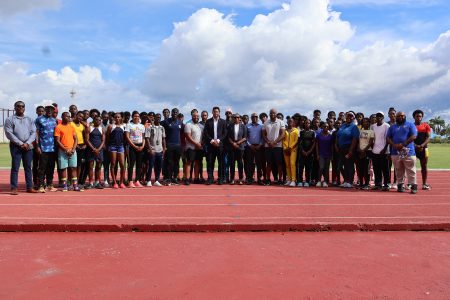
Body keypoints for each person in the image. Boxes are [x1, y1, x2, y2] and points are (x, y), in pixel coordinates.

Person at [4, 101, 37, 194]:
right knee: (15, 167)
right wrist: (20, 143)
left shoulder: (29, 119)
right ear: (15, 108)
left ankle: (29, 187)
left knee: (28, 167)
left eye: (22, 106)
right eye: (18, 106)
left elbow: (33, 132)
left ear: (24, 108)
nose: (20, 108)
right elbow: (9, 133)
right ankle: (14, 187)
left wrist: (27, 143)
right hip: (16, 146)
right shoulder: (10, 119)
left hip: (28, 146)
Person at [387, 111, 418, 194]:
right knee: (398, 169)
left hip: (408, 151)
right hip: (395, 151)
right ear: (396, 117)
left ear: (405, 116)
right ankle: (400, 185)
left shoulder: (410, 125)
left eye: (402, 116)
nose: (400, 117)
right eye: (398, 116)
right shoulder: (392, 127)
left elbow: (414, 136)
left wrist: (403, 144)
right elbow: (388, 138)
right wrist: (394, 145)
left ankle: (413, 186)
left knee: (411, 169)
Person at [54, 112, 80, 192]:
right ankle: (64, 185)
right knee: (63, 168)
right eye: (67, 116)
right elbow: (57, 141)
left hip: (72, 150)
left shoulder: (71, 127)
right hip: (63, 151)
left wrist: (73, 149)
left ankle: (75, 185)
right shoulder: (58, 127)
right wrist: (65, 150)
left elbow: (76, 139)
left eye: (69, 116)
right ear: (62, 117)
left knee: (73, 168)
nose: (68, 118)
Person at [203, 106, 228, 185]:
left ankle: (220, 178)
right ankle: (210, 178)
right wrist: (212, 141)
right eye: (214, 111)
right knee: (210, 162)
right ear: (212, 112)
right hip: (210, 145)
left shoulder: (223, 122)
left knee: (221, 163)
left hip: (220, 146)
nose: (216, 113)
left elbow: (225, 133)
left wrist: (218, 140)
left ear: (219, 113)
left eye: (217, 111)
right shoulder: (208, 121)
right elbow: (205, 133)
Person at [336, 112, 359, 188]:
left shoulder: (354, 127)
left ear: (353, 118)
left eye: (351, 116)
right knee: (340, 166)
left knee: (349, 166)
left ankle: (350, 181)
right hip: (341, 149)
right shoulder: (343, 125)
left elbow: (355, 139)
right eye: (347, 116)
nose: (349, 117)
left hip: (349, 148)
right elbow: (338, 135)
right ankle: (346, 180)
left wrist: (351, 150)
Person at [262, 108, 285, 186]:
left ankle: (280, 179)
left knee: (279, 163)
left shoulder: (281, 122)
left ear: (276, 114)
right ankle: (268, 179)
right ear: (269, 114)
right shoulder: (266, 123)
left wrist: (275, 142)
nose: (272, 114)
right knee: (269, 163)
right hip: (268, 146)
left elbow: (282, 134)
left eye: (274, 113)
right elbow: (263, 134)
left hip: (278, 146)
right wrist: (268, 142)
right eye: (271, 113)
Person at [161, 108, 183, 185]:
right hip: (169, 146)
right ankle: (168, 178)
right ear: (171, 113)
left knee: (177, 163)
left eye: (176, 112)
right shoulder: (166, 122)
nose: (174, 113)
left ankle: (175, 177)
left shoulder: (180, 122)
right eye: (173, 112)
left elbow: (183, 134)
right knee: (169, 163)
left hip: (178, 146)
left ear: (178, 113)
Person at [125, 111, 146, 188]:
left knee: (139, 165)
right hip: (132, 146)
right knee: (131, 164)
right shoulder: (129, 125)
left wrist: (143, 145)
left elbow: (143, 137)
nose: (136, 117)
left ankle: (137, 180)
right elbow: (127, 136)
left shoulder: (142, 126)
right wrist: (134, 146)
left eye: (137, 116)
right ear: (132, 117)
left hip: (140, 146)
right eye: (134, 116)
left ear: (139, 117)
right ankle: (130, 181)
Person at [145, 113, 166, 187]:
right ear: (154, 118)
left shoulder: (162, 127)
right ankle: (148, 180)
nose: (158, 118)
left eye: (160, 117)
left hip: (160, 150)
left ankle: (156, 180)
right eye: (157, 117)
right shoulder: (149, 126)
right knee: (150, 166)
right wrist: (150, 149)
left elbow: (163, 138)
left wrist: (164, 148)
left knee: (159, 166)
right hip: (152, 150)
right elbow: (147, 138)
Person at [107, 112, 126, 189]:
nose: (117, 118)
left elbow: (125, 137)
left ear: (121, 118)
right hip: (113, 147)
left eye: (119, 117)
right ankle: (114, 182)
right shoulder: (111, 126)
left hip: (120, 146)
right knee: (113, 164)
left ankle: (121, 182)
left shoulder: (123, 126)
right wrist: (109, 146)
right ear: (114, 118)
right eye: (116, 117)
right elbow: (107, 137)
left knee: (122, 165)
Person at [371, 112, 390, 191]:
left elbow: (388, 138)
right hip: (375, 151)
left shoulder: (386, 126)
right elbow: (372, 138)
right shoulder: (373, 126)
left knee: (385, 169)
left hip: (384, 151)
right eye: (377, 116)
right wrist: (372, 147)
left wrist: (385, 148)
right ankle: (378, 184)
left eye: (380, 116)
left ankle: (386, 184)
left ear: (383, 117)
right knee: (376, 169)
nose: (378, 117)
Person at [184, 112, 204, 185]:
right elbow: (187, 136)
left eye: (197, 116)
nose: (196, 117)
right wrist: (196, 144)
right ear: (192, 117)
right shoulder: (188, 125)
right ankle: (187, 179)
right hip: (191, 147)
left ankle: (196, 178)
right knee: (188, 163)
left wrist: (200, 144)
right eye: (194, 116)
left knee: (197, 163)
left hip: (199, 148)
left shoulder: (201, 126)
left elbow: (203, 137)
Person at [413, 110, 431, 190]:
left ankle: (424, 184)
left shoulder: (426, 125)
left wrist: (422, 145)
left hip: (424, 149)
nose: (419, 118)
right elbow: (408, 138)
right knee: (411, 167)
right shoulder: (411, 126)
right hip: (413, 149)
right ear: (414, 117)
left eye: (420, 116)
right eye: (417, 116)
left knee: (424, 166)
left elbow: (428, 137)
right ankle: (411, 184)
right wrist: (416, 146)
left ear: (422, 117)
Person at [85, 115, 105, 189]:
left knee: (98, 166)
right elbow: (87, 140)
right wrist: (93, 149)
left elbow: (103, 140)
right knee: (90, 166)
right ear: (93, 120)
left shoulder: (102, 129)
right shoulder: (89, 128)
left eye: (99, 120)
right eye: (96, 120)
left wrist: (98, 149)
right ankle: (90, 182)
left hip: (99, 150)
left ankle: (97, 182)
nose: (98, 121)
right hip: (91, 150)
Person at [228, 114, 247, 185]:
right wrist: (233, 143)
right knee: (232, 163)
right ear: (233, 118)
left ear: (239, 118)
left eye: (238, 117)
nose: (236, 118)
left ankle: (240, 178)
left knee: (240, 163)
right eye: (235, 117)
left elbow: (245, 137)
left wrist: (238, 143)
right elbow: (228, 137)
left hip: (240, 147)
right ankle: (232, 179)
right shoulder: (230, 126)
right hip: (232, 147)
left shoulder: (243, 126)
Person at [245, 113, 264, 185]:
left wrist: (260, 145)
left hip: (259, 147)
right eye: (253, 117)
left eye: (256, 117)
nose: (254, 118)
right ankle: (250, 179)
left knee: (259, 164)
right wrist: (250, 145)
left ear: (258, 118)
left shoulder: (261, 126)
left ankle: (259, 179)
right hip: (250, 147)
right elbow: (245, 137)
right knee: (250, 164)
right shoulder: (247, 126)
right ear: (251, 118)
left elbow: (263, 137)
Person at [356, 118, 374, 190]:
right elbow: (357, 141)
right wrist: (359, 150)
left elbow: (371, 142)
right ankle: (361, 183)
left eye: (367, 122)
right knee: (359, 168)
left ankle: (366, 183)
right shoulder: (360, 131)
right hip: (360, 151)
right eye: (364, 122)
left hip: (367, 151)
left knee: (366, 169)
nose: (365, 123)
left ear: (369, 123)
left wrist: (364, 150)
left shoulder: (371, 131)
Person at [297, 119, 315, 187]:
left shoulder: (313, 133)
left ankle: (307, 181)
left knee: (308, 168)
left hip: (310, 153)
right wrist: (302, 151)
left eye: (308, 123)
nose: (307, 124)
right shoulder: (301, 132)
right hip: (302, 153)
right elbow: (299, 143)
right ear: (304, 124)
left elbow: (314, 143)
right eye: (306, 123)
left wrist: (309, 151)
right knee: (300, 167)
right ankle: (300, 181)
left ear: (310, 124)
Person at [71, 111, 87, 188]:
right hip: (73, 145)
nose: (80, 117)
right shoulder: (71, 124)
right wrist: (75, 145)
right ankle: (71, 182)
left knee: (79, 165)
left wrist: (85, 144)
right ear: (76, 115)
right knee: (73, 165)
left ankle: (76, 181)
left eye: (81, 117)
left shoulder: (82, 125)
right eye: (79, 116)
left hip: (81, 146)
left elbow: (85, 135)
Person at [316, 122, 333, 187]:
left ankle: (325, 181)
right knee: (321, 167)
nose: (325, 128)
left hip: (328, 154)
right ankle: (319, 181)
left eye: (327, 127)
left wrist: (332, 155)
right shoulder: (318, 135)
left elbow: (332, 146)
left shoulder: (330, 136)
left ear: (328, 127)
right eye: (324, 126)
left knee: (326, 169)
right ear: (322, 127)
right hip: (321, 154)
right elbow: (317, 145)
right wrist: (317, 154)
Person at [282, 118, 299, 187]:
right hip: (285, 149)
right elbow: (283, 140)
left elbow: (296, 140)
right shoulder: (285, 130)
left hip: (293, 149)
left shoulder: (296, 130)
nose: (290, 123)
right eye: (288, 121)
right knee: (287, 165)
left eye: (291, 121)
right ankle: (289, 179)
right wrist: (285, 148)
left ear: (293, 123)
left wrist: (290, 147)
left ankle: (293, 180)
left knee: (292, 164)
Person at [32, 105, 45, 189]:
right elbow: (34, 134)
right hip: (35, 146)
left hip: (44, 147)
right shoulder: (34, 122)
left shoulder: (45, 121)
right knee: (35, 165)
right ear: (36, 112)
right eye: (39, 111)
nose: (40, 112)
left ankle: (42, 181)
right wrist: (37, 146)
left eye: (42, 111)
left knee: (43, 165)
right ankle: (36, 182)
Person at [101, 110, 112, 187]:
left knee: (106, 164)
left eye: (107, 117)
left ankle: (106, 179)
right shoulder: (99, 125)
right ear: (102, 117)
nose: (106, 118)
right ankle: (97, 181)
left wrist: (107, 146)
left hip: (108, 148)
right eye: (104, 117)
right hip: (99, 147)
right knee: (98, 165)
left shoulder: (110, 126)